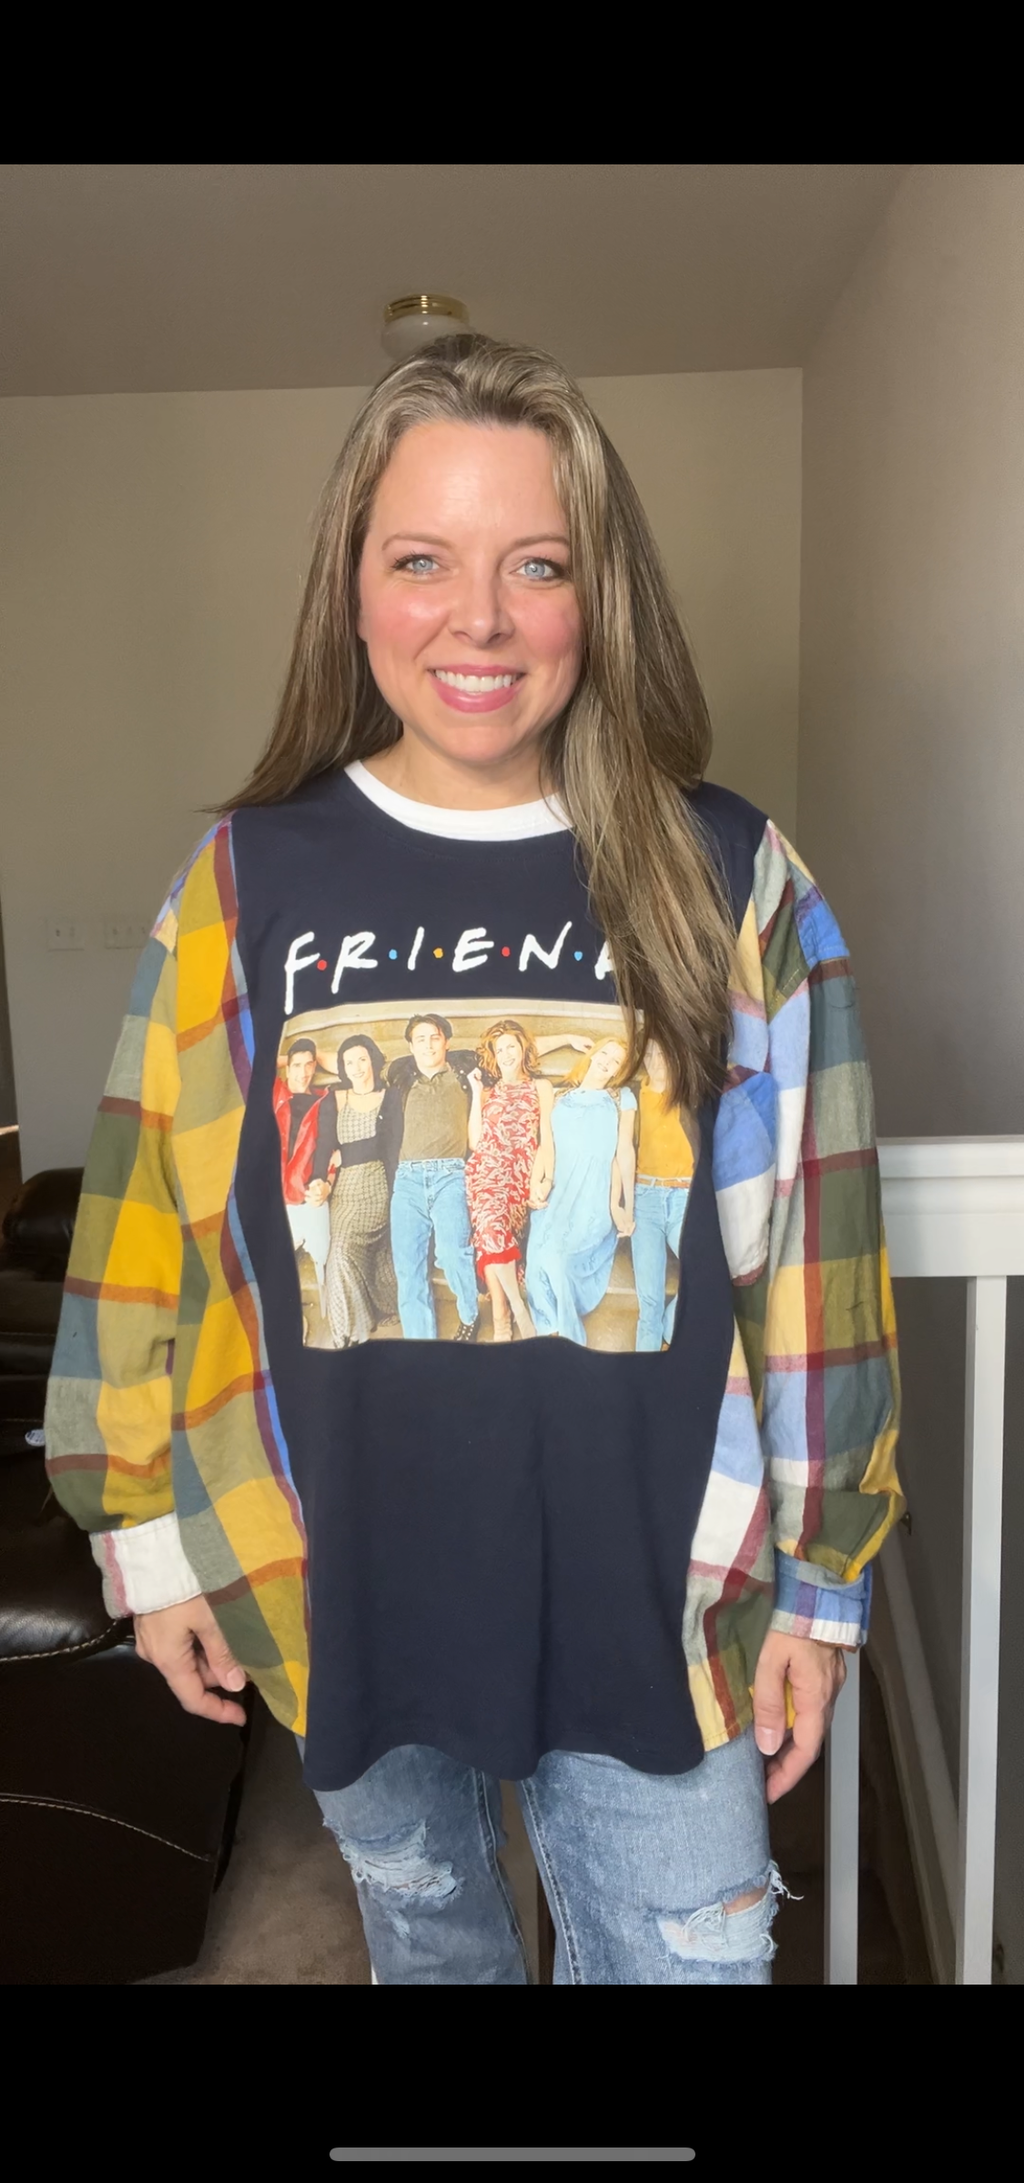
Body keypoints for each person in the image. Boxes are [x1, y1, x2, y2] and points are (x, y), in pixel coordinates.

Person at [42, 333, 902, 1986]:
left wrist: (823, 1582)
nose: (479, 618)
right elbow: (148, 1222)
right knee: (431, 1953)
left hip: (663, 1607)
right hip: (343, 1581)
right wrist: (143, 1536)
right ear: (354, 590)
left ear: (601, 595)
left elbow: (811, 1248)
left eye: (538, 564)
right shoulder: (243, 882)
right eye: (422, 559)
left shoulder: (729, 872)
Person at [464, 1018, 592, 1341]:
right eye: (500, 1049)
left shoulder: (540, 1087)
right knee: (490, 1223)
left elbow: (546, 1136)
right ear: (493, 1056)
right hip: (485, 1171)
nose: (507, 1054)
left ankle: (502, 1311)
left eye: (512, 1047)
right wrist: (476, 1095)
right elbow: (475, 1142)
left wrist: (545, 1179)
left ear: (524, 1050)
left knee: (492, 1233)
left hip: (519, 1173)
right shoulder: (488, 1091)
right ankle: (513, 1310)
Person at [523, 1037, 638, 1345]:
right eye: (604, 1053)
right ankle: (550, 1339)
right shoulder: (558, 1096)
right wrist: (535, 1184)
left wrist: (621, 1206)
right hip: (556, 1192)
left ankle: (570, 1341)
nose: (607, 1062)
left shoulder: (622, 1099)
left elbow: (622, 1154)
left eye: (616, 1061)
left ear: (620, 1071)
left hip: (593, 1198)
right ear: (592, 1054)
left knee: (558, 1260)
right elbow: (545, 1146)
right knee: (536, 1266)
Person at [385, 1013, 482, 1341]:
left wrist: (565, 1039)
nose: (428, 1045)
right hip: (407, 1180)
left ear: (447, 1042)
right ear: (411, 1046)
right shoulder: (401, 1080)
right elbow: (361, 1061)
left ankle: (469, 1315)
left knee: (453, 1253)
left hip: (450, 1176)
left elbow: (509, 1047)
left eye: (435, 1038)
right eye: (420, 1039)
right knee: (407, 1267)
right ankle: (420, 1344)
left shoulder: (464, 1074)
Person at [309, 1033, 401, 1350]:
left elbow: (388, 1146)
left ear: (373, 1060)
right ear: (343, 1068)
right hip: (344, 1190)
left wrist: (347, 1153)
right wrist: (319, 1179)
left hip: (377, 1185)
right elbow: (324, 1145)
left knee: (349, 1250)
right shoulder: (335, 1098)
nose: (357, 1067)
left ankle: (356, 1325)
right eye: (349, 1062)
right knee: (341, 1250)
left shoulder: (389, 1097)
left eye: (362, 1059)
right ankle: (351, 1332)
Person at [631, 1036, 696, 1352]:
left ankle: (669, 1335)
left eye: (662, 1052)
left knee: (703, 1273)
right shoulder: (634, 1096)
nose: (655, 1059)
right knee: (650, 1302)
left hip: (685, 1197)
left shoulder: (690, 1095)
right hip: (646, 1199)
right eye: (649, 1053)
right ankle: (643, 1371)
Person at [273, 1036, 333, 1318]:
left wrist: (324, 1181)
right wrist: (290, 1057)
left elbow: (326, 1145)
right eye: (297, 1066)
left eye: (309, 1065)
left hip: (305, 1191)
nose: (304, 1072)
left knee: (321, 1250)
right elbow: (252, 1065)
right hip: (272, 1192)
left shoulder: (323, 1100)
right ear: (286, 1067)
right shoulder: (275, 1091)